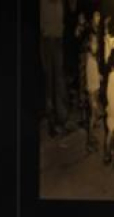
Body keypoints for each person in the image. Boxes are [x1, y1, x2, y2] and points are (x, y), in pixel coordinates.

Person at [41, 0, 69, 136]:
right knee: (50, 82)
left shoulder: (59, 3)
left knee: (58, 80)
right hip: (48, 40)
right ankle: (53, 122)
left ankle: (61, 120)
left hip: (57, 39)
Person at [84, 32, 103, 153]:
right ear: (89, 44)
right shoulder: (90, 60)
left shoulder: (92, 58)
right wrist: (92, 98)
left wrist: (98, 76)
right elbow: (88, 77)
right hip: (92, 91)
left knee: (94, 115)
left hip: (95, 90)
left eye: (96, 42)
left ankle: (92, 138)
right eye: (94, 42)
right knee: (92, 117)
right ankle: (89, 141)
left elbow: (93, 74)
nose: (97, 45)